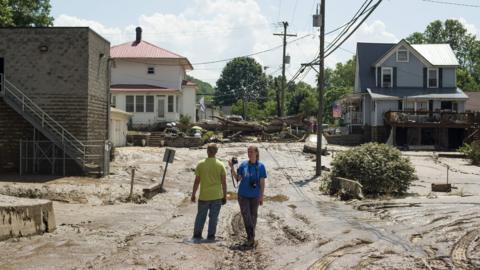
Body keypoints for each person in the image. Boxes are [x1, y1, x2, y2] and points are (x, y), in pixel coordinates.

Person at [228, 145, 267, 247]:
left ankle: (251, 237)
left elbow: (262, 183)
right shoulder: (243, 165)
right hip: (243, 195)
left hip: (255, 196)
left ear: (256, 153)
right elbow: (237, 179)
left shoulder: (261, 166)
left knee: (253, 217)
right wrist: (232, 168)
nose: (249, 154)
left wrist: (261, 196)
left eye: (251, 152)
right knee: (246, 216)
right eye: (248, 152)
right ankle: (251, 237)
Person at [191, 143, 227, 242]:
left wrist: (193, 194)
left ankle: (197, 236)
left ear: (207, 151)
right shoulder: (220, 165)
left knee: (200, 217)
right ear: (216, 152)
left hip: (204, 196)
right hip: (216, 196)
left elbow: (197, 181)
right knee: (214, 218)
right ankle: (211, 237)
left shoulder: (200, 164)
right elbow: (224, 183)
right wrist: (225, 196)